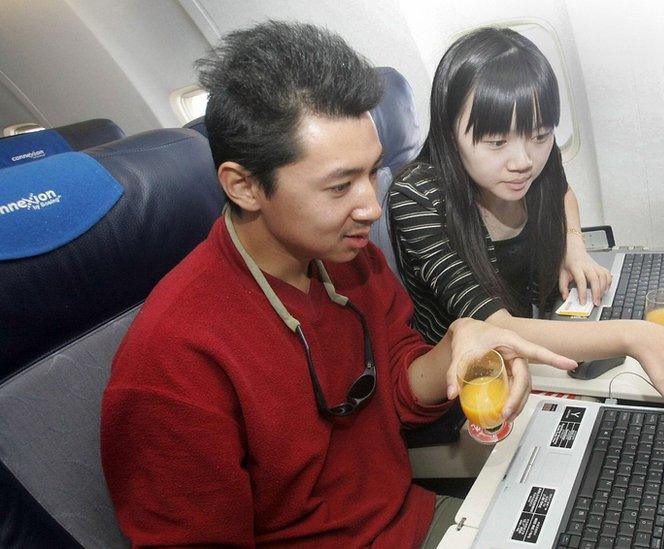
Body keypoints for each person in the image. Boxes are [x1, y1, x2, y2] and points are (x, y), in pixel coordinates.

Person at [100, 21, 575, 548]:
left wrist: (460, 344)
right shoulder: (172, 361)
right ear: (244, 186)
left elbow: (399, 393)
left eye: (372, 173)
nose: (371, 207)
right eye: (340, 185)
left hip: (413, 522)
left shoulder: (353, 263)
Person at [389, 27, 664, 411]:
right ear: (450, 133)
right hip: (470, 387)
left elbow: (561, 190)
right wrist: (636, 336)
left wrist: (574, 244)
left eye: (540, 135)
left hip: (532, 340)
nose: (523, 161)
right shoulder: (416, 197)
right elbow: (496, 328)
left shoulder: (535, 158)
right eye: (496, 142)